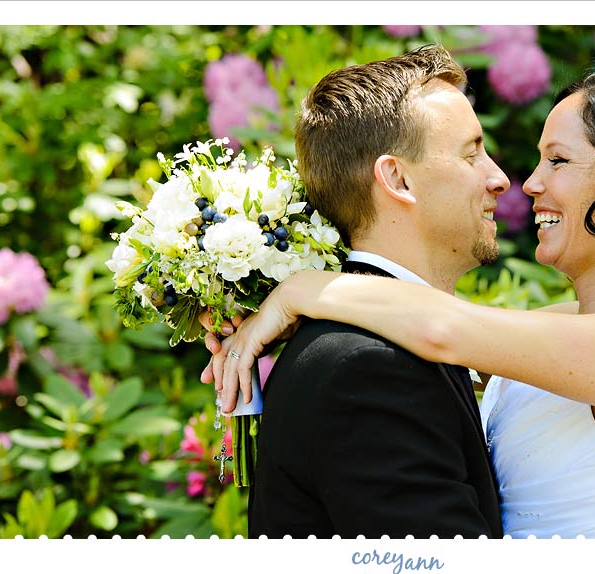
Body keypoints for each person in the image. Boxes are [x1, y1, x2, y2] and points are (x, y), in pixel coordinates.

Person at [211, 67, 595, 539]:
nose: (527, 184)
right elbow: (423, 345)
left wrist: (303, 288)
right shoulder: (568, 325)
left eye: (558, 161)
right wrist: (266, 315)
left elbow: (443, 331)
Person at [204, 46, 509, 539]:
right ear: (397, 178)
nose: (499, 178)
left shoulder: (377, 347)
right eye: (471, 152)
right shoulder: (370, 368)